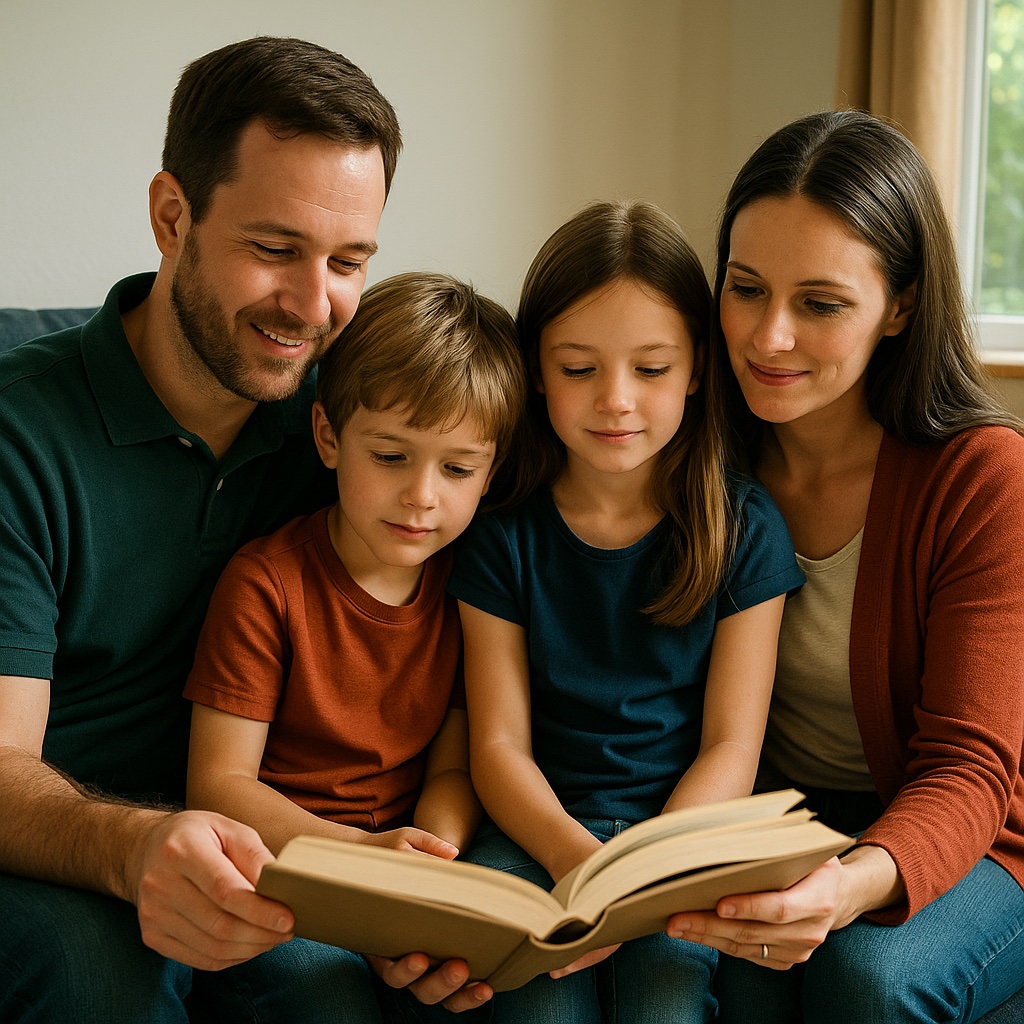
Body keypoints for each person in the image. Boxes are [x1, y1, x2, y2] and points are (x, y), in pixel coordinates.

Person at [0, 35, 483, 1024]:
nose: (314, 307)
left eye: (348, 261)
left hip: (266, 853)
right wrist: (134, 847)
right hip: (55, 853)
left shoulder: (349, 430)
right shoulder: (20, 434)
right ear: (171, 215)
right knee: (97, 967)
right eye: (275, 250)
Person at [665, 110, 1024, 1023]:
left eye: (819, 304)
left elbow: (970, 768)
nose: (767, 337)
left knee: (865, 984)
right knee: (713, 974)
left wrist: (849, 884)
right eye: (745, 289)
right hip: (782, 816)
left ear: (899, 305)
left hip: (977, 831)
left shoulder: (981, 476)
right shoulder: (695, 450)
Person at [441, 200, 804, 1023]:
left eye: (651, 368)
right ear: (535, 367)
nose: (615, 400)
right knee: (534, 1005)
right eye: (578, 368)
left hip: (684, 838)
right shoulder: (502, 534)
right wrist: (574, 855)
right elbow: (497, 744)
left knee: (663, 1000)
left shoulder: (743, 528)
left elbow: (732, 745)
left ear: (698, 369)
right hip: (537, 833)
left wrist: (648, 864)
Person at [182, 271, 527, 1012]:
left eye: (457, 468)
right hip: (281, 876)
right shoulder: (265, 586)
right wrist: (363, 863)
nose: (422, 495)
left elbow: (453, 768)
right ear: (329, 438)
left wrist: (428, 872)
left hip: (396, 877)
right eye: (391, 456)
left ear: (489, 472)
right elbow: (219, 786)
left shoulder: (472, 592)